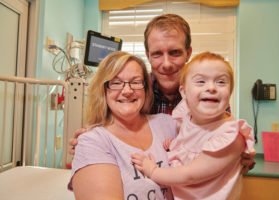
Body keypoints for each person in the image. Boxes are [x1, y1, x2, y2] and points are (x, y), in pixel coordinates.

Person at [69, 14, 255, 172]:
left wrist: (238, 157)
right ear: (148, 54)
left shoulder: (207, 95)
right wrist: (90, 137)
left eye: (174, 53)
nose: (166, 64)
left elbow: (223, 143)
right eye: (157, 54)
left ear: (188, 52)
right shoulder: (136, 93)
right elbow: (110, 127)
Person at [131, 52, 256, 200]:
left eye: (221, 82)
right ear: (184, 92)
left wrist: (152, 171)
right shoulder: (188, 117)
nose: (211, 88)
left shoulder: (230, 135)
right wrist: (177, 145)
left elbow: (189, 175)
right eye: (201, 82)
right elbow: (191, 144)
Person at [68, 51, 176, 199]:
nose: (127, 90)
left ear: (145, 88)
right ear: (103, 89)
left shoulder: (168, 124)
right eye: (116, 83)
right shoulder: (93, 141)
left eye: (136, 82)